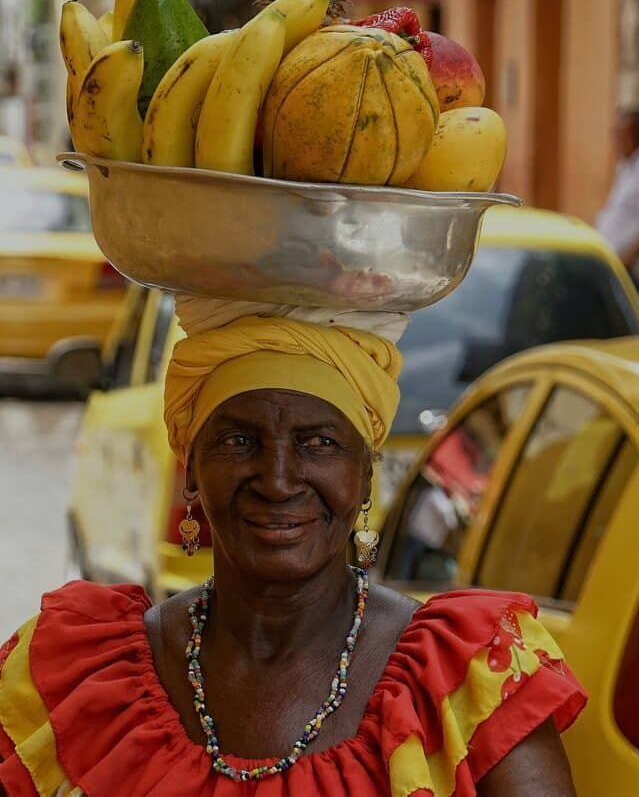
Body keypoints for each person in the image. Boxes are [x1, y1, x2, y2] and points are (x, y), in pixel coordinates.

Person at [0, 301, 586, 796]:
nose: (278, 480)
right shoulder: (73, 679)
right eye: (238, 440)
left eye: (319, 443)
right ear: (192, 476)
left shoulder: (469, 685)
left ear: (363, 477)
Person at [596, 109, 639, 287]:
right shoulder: (624, 166)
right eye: (615, 135)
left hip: (622, 263)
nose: (616, 142)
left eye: (622, 136)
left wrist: (625, 259)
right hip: (607, 254)